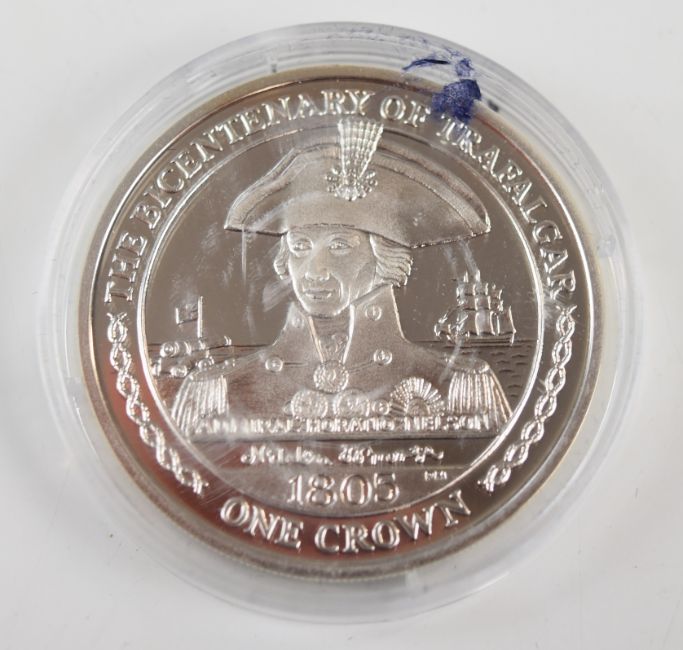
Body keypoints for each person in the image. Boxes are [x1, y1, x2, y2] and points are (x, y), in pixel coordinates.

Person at [171, 117, 511, 437]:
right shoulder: (217, 390)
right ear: (284, 258)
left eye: (339, 246)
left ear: (385, 257)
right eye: (300, 246)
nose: (314, 270)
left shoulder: (462, 386)